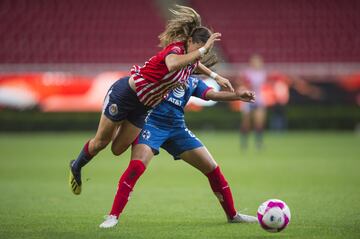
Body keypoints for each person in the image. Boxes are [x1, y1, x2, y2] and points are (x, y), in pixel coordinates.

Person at [69, 5, 234, 195]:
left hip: (143, 107)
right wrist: (204, 50)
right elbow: (172, 65)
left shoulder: (191, 59)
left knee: (117, 149)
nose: (200, 54)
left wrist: (215, 75)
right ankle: (76, 166)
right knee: (101, 143)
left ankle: (116, 125)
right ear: (189, 41)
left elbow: (196, 63)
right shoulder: (175, 51)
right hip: (125, 95)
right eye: (198, 49)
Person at [99, 76, 257, 228]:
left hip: (177, 129)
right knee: (137, 166)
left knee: (212, 168)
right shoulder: (165, 69)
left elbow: (213, 94)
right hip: (151, 124)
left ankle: (233, 215)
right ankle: (113, 216)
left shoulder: (193, 81)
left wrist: (237, 96)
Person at [239, 54, 267, 150]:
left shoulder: (262, 73)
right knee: (246, 123)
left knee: (259, 123)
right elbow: (242, 83)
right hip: (247, 99)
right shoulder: (247, 73)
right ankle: (244, 143)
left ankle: (259, 143)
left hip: (258, 99)